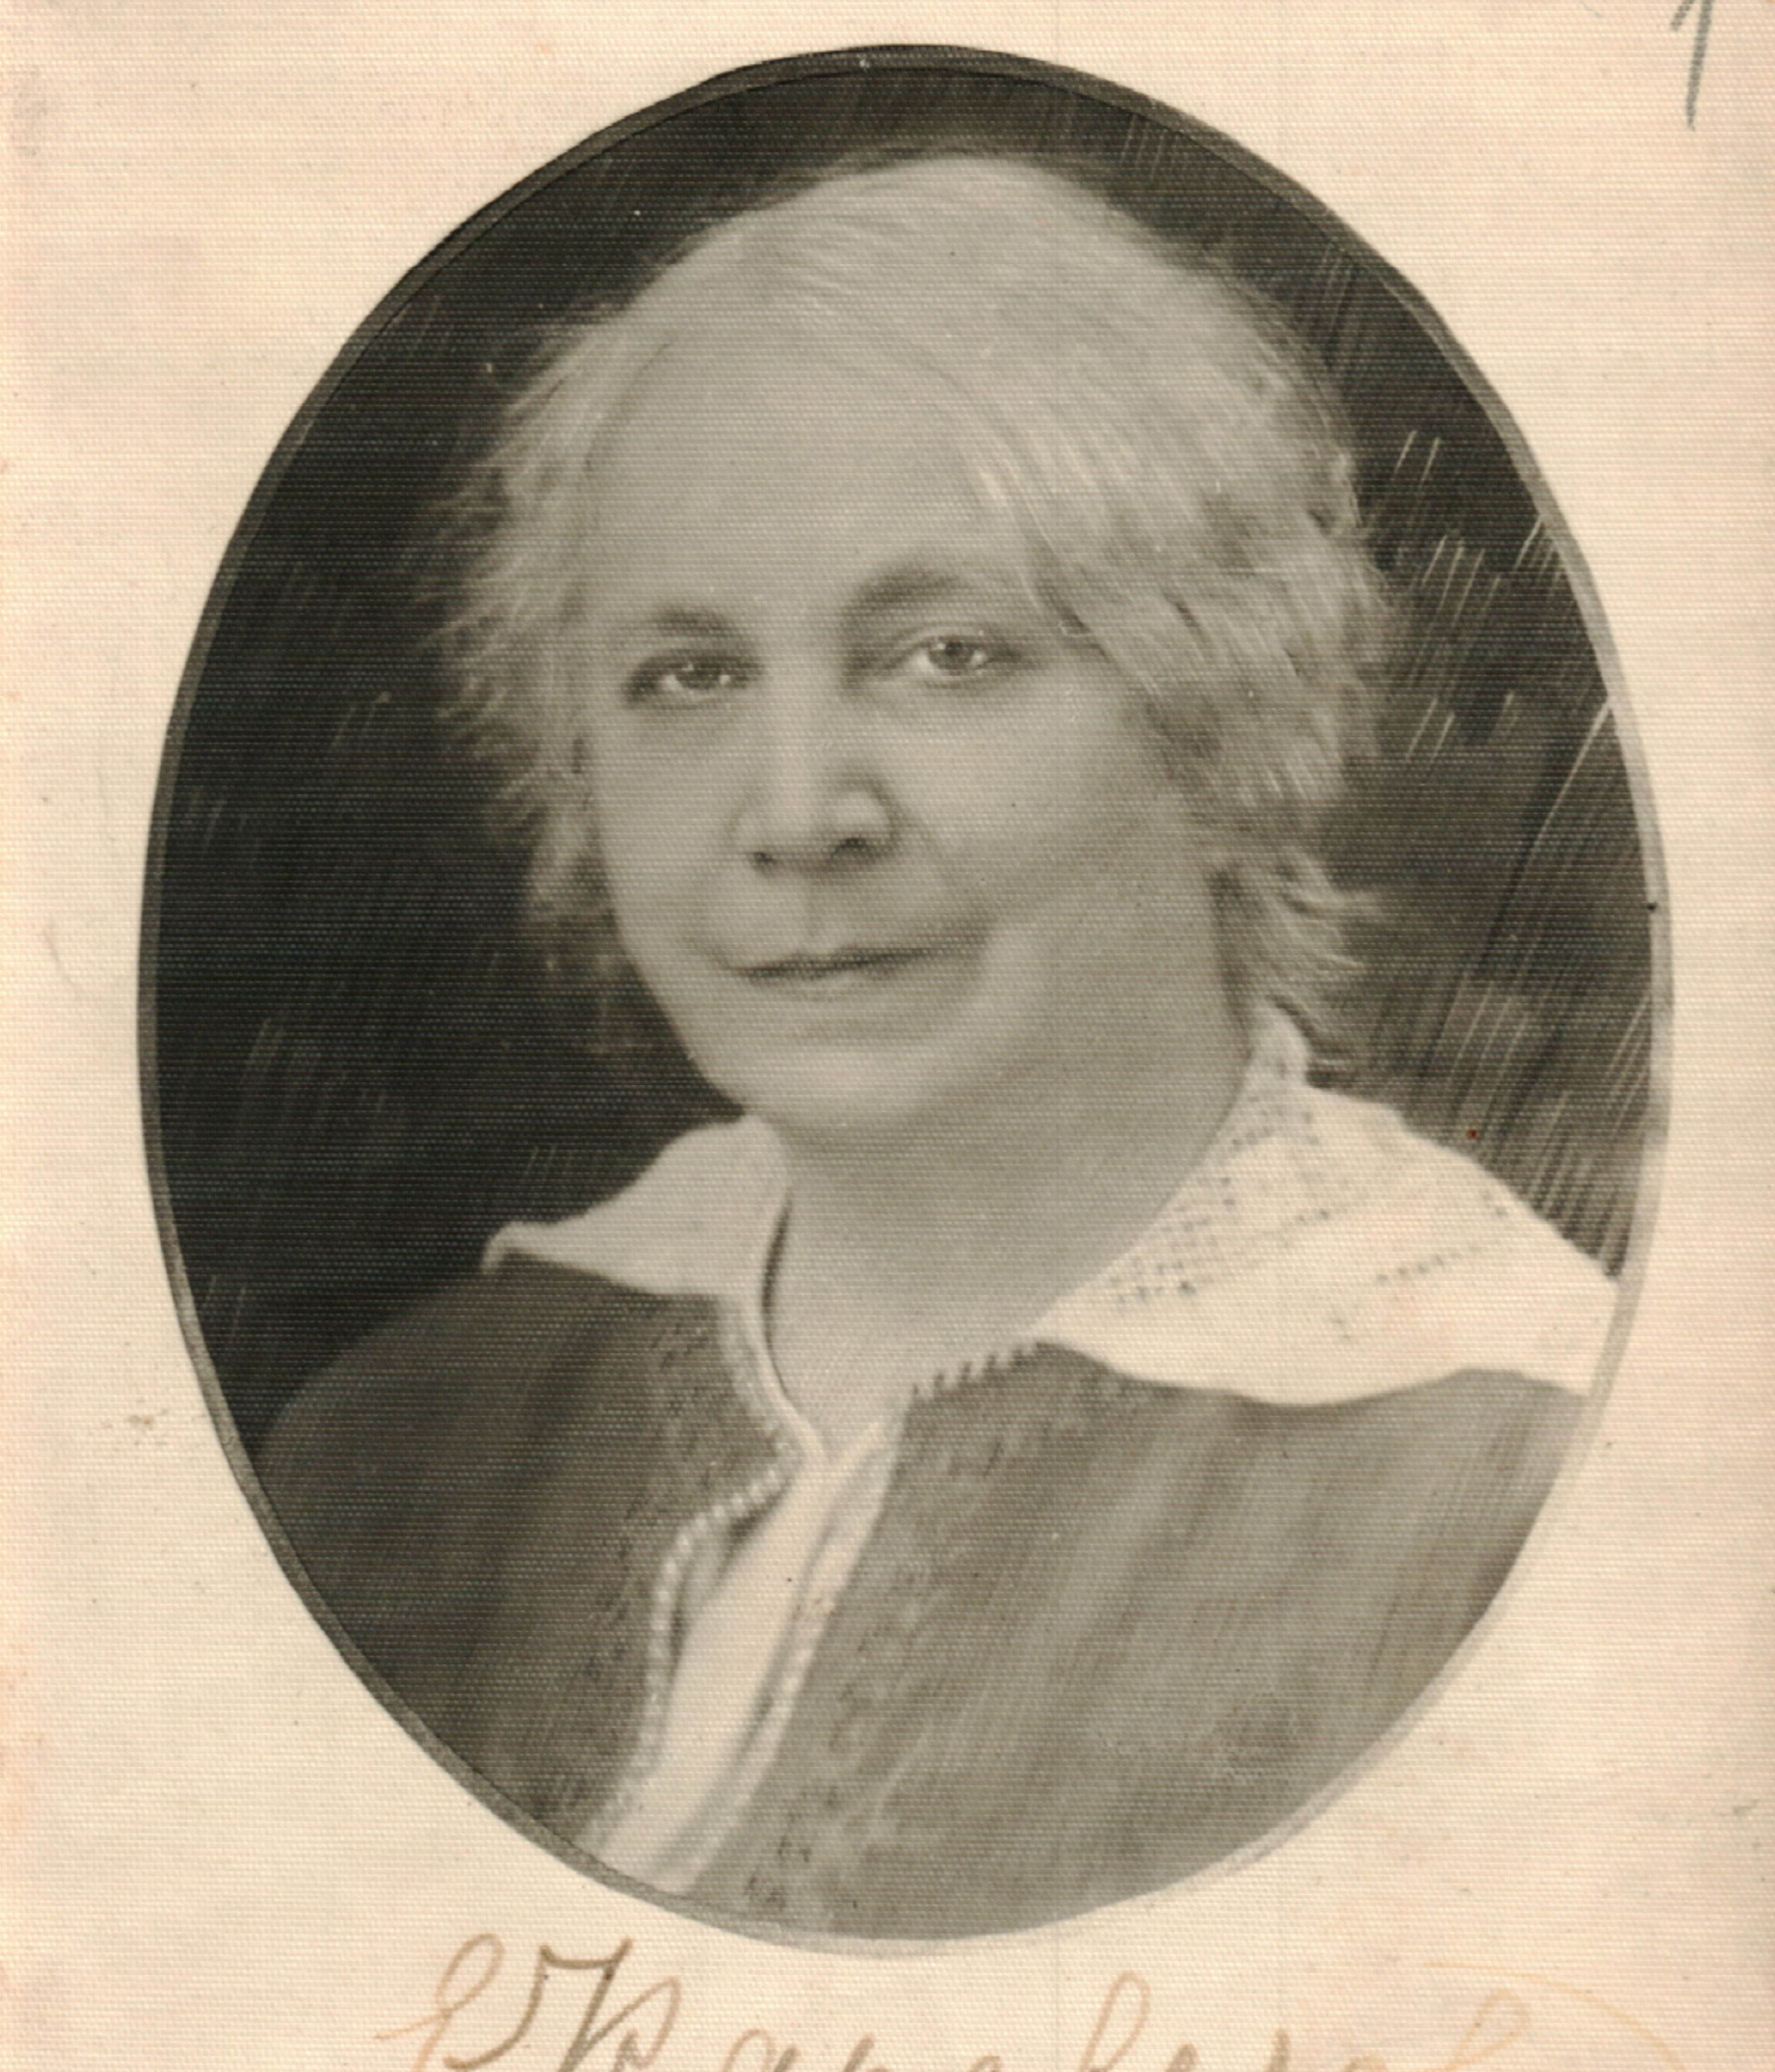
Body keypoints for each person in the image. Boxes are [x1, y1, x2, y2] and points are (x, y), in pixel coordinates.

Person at [263, 154, 1618, 1942]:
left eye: (947, 654)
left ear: (1220, 716)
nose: (797, 813)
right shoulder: (396, 1443)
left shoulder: (1519, 1489)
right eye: (688, 674)